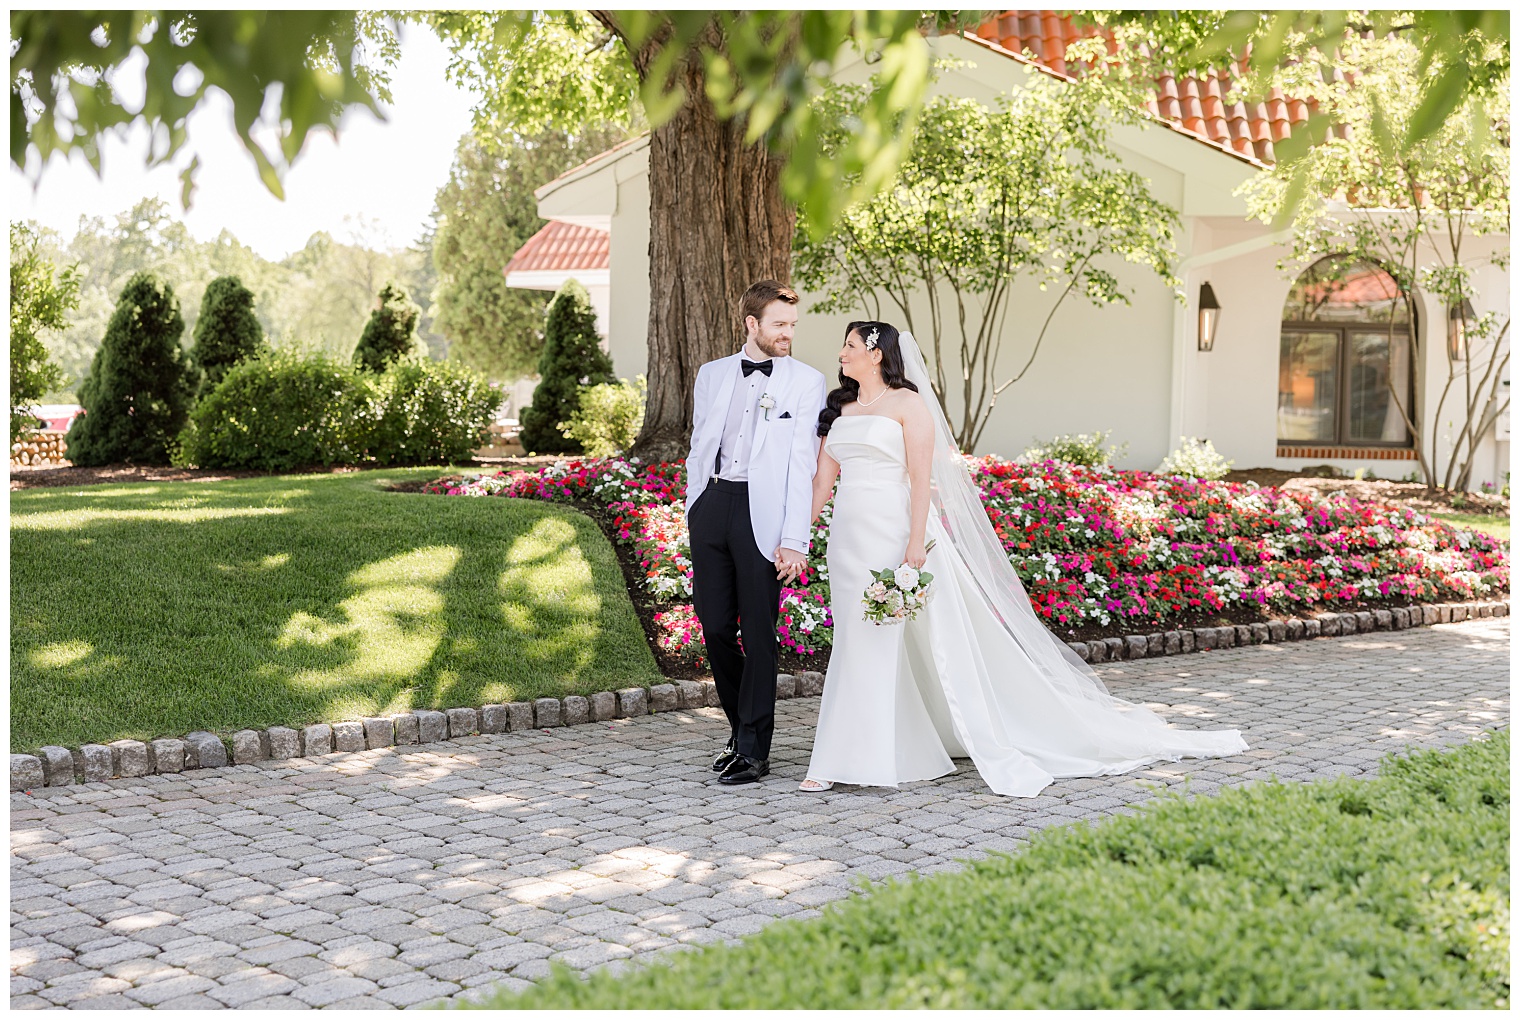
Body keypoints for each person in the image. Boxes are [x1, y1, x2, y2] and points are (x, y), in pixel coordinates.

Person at [799, 321, 1247, 795]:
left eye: (849, 346)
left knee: (873, 639)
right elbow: (821, 487)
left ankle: (841, 758)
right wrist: (795, 539)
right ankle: (898, 746)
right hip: (848, 540)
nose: (841, 353)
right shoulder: (840, 409)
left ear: (875, 354)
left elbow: (920, 481)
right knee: (855, 635)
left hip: (894, 531)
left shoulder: (910, 405)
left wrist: (914, 545)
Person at [685, 280, 829, 785]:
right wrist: (694, 508)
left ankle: (753, 748)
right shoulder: (712, 374)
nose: (788, 333)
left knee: (760, 633)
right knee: (716, 625)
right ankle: (737, 727)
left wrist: (794, 538)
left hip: (762, 512)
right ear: (752, 324)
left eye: (792, 325)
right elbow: (700, 445)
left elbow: (802, 466)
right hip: (714, 503)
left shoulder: (806, 382)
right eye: (779, 325)